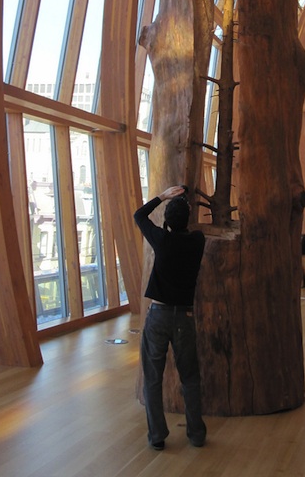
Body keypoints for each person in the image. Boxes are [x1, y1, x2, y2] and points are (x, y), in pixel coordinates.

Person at [134, 185, 207, 451]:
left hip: (159, 315)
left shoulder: (162, 240)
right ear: (187, 220)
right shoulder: (197, 241)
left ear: (166, 222)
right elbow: (190, 229)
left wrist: (163, 196)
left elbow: (139, 216)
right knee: (190, 377)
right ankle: (196, 434)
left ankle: (157, 436)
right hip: (185, 317)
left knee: (153, 377)